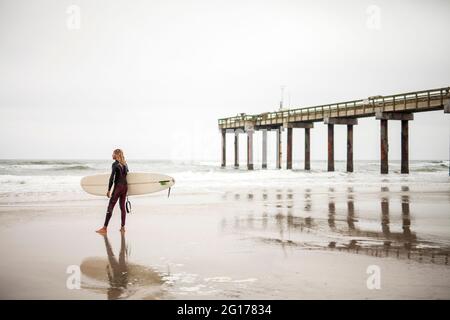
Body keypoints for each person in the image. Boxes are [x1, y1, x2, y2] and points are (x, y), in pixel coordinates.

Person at [96, 149, 129, 234]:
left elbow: (112, 178)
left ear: (116, 155)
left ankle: (104, 228)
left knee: (110, 206)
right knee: (122, 207)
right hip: (125, 187)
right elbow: (127, 174)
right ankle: (122, 227)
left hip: (118, 187)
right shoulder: (125, 164)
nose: (112, 155)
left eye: (113, 154)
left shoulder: (115, 164)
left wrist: (109, 190)